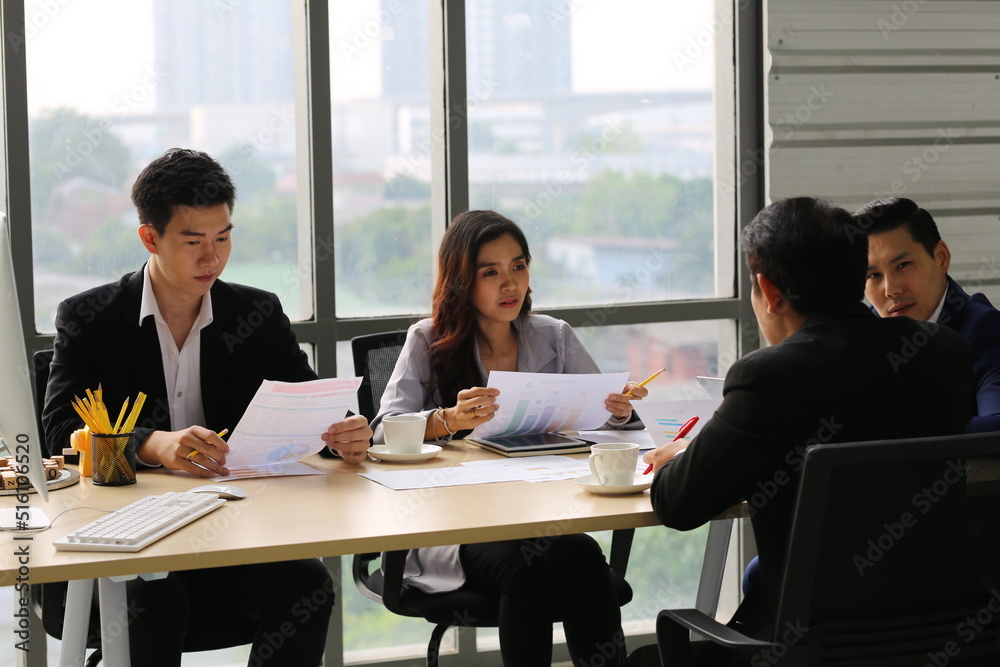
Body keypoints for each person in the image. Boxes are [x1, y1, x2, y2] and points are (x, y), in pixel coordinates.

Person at [42, 148, 373, 666]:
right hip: (123, 542)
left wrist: (344, 434)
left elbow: (308, 404)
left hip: (230, 535)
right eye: (193, 241)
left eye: (223, 238)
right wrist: (154, 445)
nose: (212, 259)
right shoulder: (90, 317)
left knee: (306, 588)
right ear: (150, 238)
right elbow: (59, 431)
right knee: (155, 599)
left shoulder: (256, 313)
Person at [633, 198, 973, 665]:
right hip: (946, 631)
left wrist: (681, 458)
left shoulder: (768, 377)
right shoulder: (944, 352)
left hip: (809, 645)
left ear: (769, 291)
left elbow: (676, 505)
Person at [372, 209, 646, 667]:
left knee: (583, 554)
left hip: (536, 513)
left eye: (518, 266)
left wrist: (619, 411)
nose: (510, 284)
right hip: (452, 525)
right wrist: (447, 419)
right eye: (491, 272)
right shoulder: (428, 339)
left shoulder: (555, 336)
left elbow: (608, 425)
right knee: (527, 566)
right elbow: (383, 429)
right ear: (462, 281)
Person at [856, 196, 1000, 433]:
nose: (891, 290)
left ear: (941, 257)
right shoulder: (856, 337)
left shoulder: (986, 330)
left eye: (903, 265)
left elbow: (995, 428)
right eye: (873, 275)